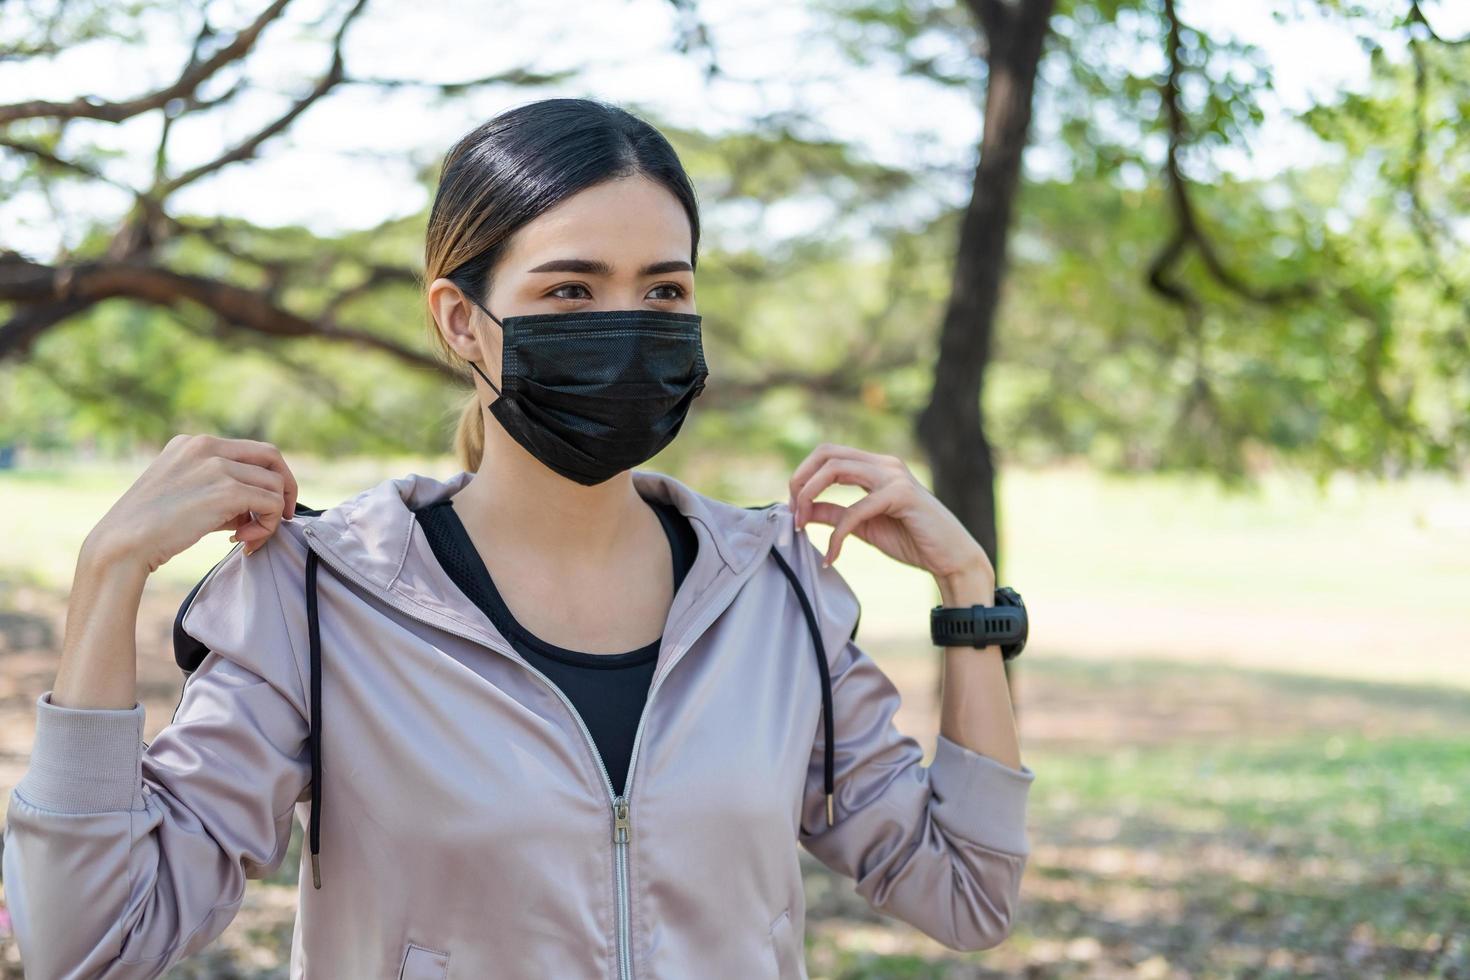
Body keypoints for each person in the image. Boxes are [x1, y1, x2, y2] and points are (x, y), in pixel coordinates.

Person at [1, 97, 1034, 979]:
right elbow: (88, 939)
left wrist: (969, 593)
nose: (628, 325)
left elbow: (967, 891)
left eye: (664, 290)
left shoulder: (777, 592)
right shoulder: (317, 595)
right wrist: (109, 577)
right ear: (460, 320)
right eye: (571, 290)